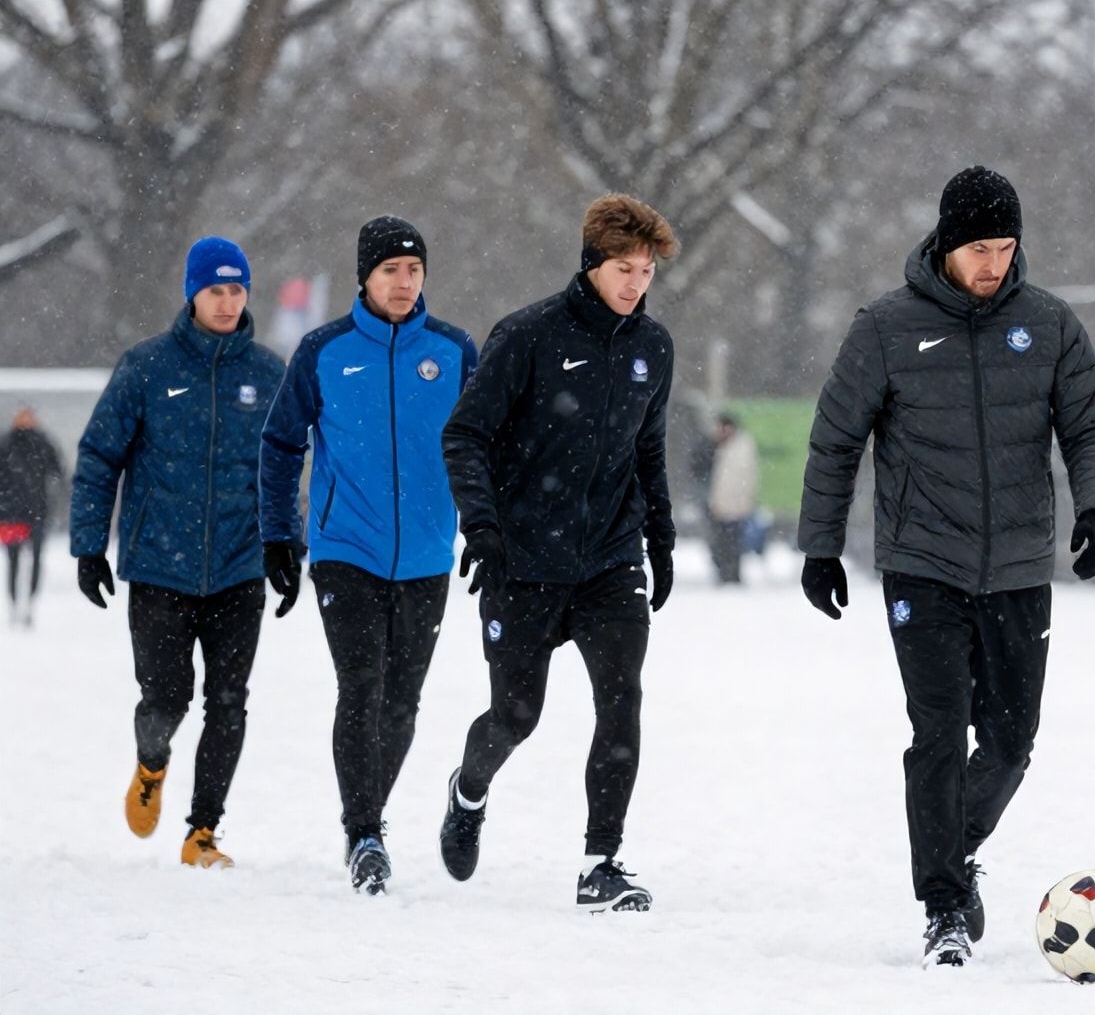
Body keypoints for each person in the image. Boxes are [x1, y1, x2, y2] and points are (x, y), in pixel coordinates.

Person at [797, 165, 1095, 966]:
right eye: (980, 248)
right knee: (938, 733)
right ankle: (943, 905)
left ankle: (954, 841)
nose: (995, 265)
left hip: (1016, 565)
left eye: (1007, 248)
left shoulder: (1048, 325)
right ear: (947, 244)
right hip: (923, 564)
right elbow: (836, 441)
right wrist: (821, 545)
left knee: (1011, 743)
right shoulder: (885, 328)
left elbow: (1092, 425)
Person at [438, 194, 678, 912]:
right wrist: (481, 526)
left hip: (609, 561)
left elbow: (649, 447)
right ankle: (469, 790)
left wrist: (659, 536)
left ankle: (600, 863)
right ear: (591, 264)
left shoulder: (651, 348)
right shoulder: (529, 335)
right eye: (623, 269)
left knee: (621, 699)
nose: (636, 284)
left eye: (646, 271)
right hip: (525, 562)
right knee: (516, 716)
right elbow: (466, 435)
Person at [260, 216, 477, 895]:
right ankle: (364, 835)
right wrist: (279, 533)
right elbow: (281, 442)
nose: (404, 282)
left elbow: (485, 446)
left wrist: (490, 529)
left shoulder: (455, 351)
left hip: (427, 553)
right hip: (342, 548)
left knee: (402, 703)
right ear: (365, 276)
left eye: (414, 270)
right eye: (391, 270)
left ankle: (367, 814)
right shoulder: (324, 351)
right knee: (361, 687)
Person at [69, 236, 285, 868]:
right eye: (215, 289)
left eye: (236, 288)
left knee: (228, 701)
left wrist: (285, 545)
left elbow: (282, 469)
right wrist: (88, 545)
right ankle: (151, 762)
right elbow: (99, 456)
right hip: (159, 566)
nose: (226, 300)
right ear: (192, 293)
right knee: (166, 699)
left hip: (240, 567)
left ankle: (203, 832)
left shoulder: (268, 374)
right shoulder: (147, 367)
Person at [0, 406, 64, 627]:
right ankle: (15, 604)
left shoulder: (42, 443)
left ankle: (29, 604)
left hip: (36, 511)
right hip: (12, 513)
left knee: (35, 559)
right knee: (13, 560)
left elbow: (58, 472)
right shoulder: (6, 443)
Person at [705, 412, 758, 584]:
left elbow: (745, 478)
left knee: (731, 543)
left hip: (734, 505)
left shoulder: (740, 447)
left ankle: (731, 576)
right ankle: (726, 575)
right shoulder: (720, 447)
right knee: (721, 543)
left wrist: (743, 502)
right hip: (721, 505)